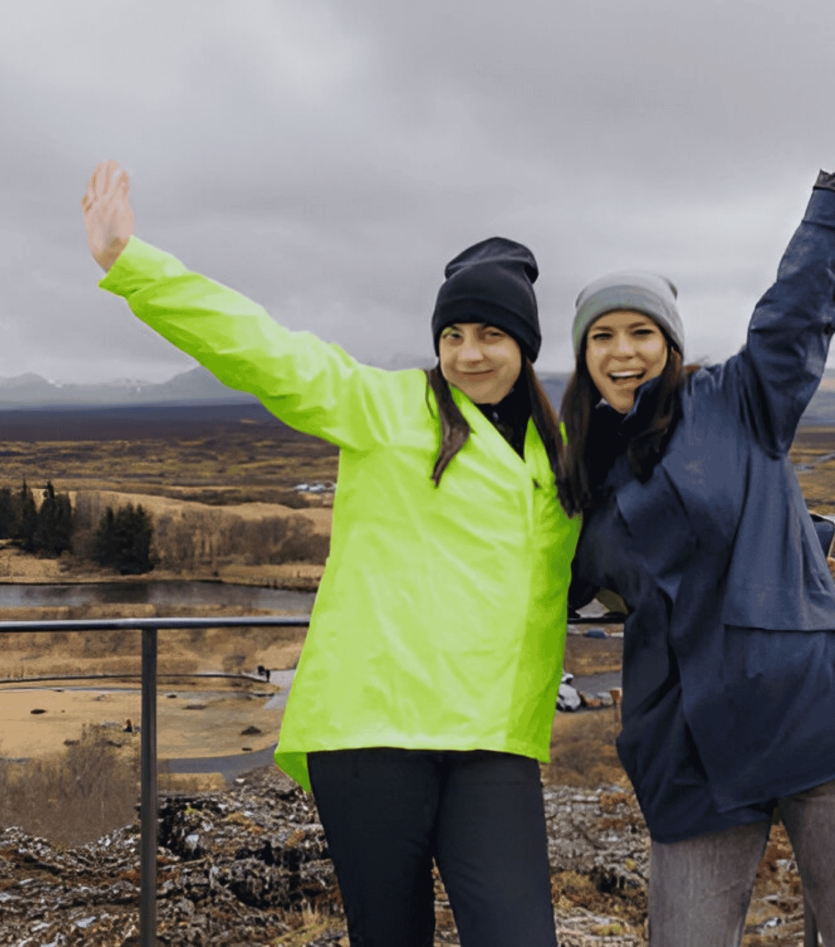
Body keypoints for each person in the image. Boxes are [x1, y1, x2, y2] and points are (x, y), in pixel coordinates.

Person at [80, 165, 579, 947]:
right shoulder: (389, 409)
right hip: (375, 730)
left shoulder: (557, 456)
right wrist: (132, 262)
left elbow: (644, 526)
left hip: (495, 739)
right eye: (452, 335)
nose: (468, 354)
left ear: (526, 343)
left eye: (489, 334)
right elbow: (269, 352)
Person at [560, 53, 835, 947]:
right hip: (690, 750)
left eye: (642, 332)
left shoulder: (739, 400)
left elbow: (803, 296)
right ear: (584, 357)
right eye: (604, 337)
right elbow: (542, 584)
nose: (625, 351)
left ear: (669, 342)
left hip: (820, 718)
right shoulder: (574, 472)